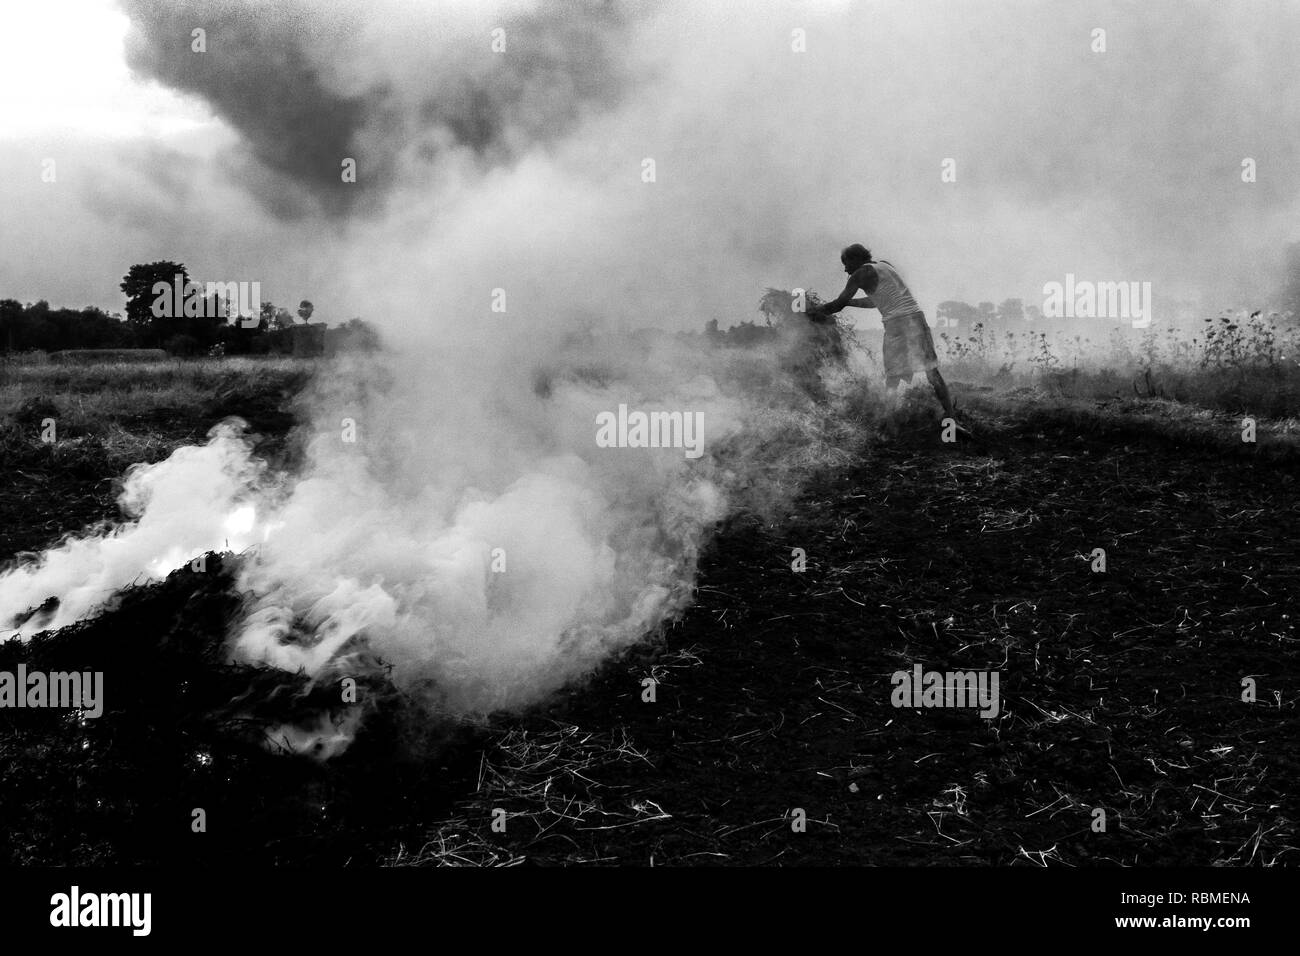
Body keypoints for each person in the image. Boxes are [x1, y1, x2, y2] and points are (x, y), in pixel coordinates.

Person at [811, 243, 958, 421]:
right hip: (916, 318)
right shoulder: (885, 265)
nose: (845, 270)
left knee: (892, 377)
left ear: (856, 259)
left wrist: (811, 311)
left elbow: (837, 305)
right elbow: (875, 302)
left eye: (846, 263)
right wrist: (851, 302)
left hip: (897, 324)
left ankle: (888, 421)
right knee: (932, 371)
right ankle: (952, 418)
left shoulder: (860, 274)